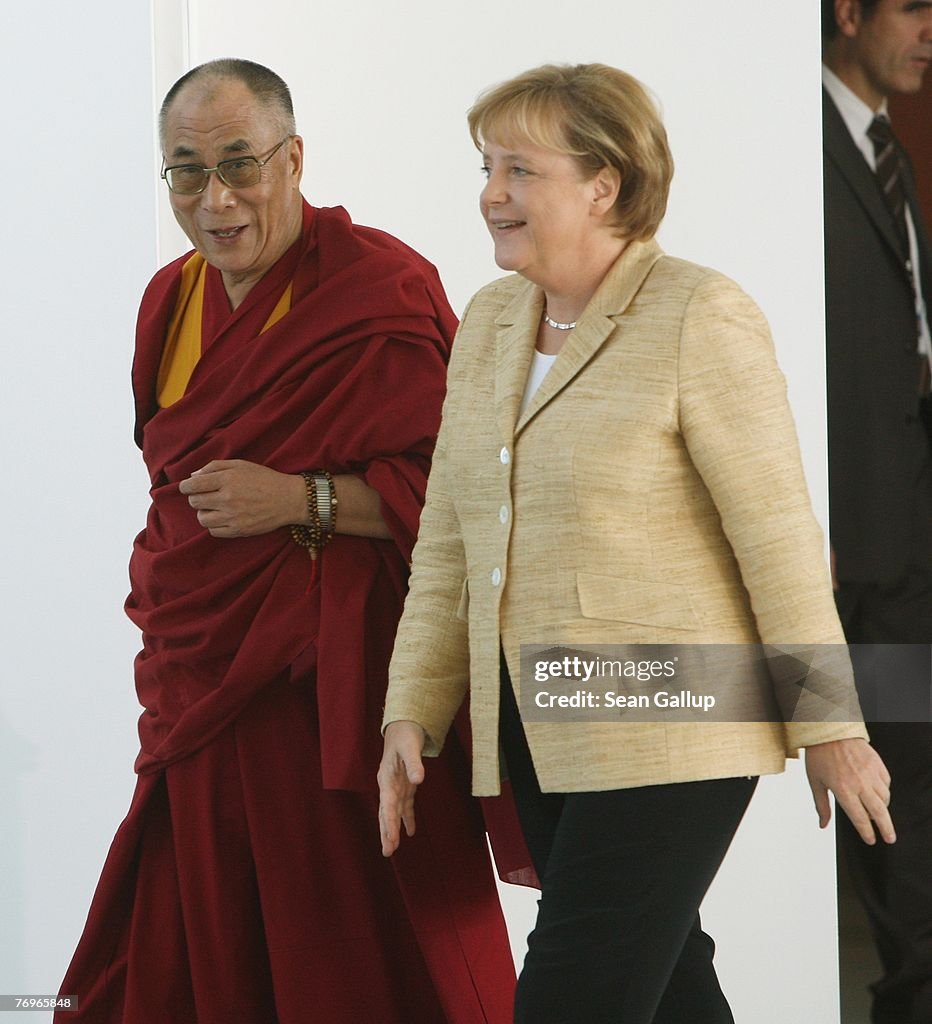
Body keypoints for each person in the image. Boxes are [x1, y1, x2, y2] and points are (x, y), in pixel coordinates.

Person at [377, 62, 896, 1024]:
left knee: (575, 992)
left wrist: (832, 725)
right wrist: (415, 705)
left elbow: (777, 537)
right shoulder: (492, 321)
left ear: (604, 183)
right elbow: (450, 538)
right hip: (538, 717)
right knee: (663, 991)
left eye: (518, 169)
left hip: (680, 714)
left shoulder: (701, 313)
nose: (491, 193)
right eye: (487, 165)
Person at [55, 59, 518, 1024]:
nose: (215, 200)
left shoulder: (379, 288)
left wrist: (299, 499)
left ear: (294, 157)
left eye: (240, 165)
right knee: (193, 934)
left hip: (334, 687)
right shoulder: (166, 302)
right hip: (200, 670)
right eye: (186, 171)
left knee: (348, 944)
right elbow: (173, 487)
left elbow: (461, 493)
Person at [822, 3, 932, 1021]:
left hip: (900, 541)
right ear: (845, 13)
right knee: (884, 776)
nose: (928, 29)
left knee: (908, 769)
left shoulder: (880, 148)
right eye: (909, 7)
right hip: (839, 551)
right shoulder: (801, 145)